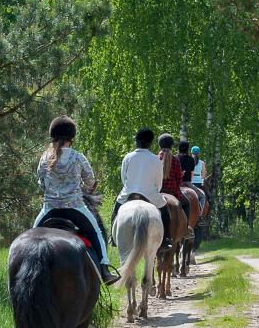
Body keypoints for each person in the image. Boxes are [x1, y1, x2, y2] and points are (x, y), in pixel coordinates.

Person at [34, 116, 119, 286]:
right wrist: (87, 186)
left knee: (32, 236)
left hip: (49, 209)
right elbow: (89, 182)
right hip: (76, 208)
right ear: (71, 138)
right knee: (97, 234)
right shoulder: (78, 157)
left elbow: (41, 183)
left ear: (53, 136)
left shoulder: (44, 158)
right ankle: (104, 269)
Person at [112, 127, 172, 248]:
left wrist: (132, 187)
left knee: (115, 211)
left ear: (136, 141)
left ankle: (112, 238)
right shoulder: (156, 160)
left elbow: (124, 178)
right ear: (150, 143)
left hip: (129, 193)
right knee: (165, 212)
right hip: (150, 194)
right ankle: (166, 239)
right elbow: (159, 183)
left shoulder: (128, 157)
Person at [157, 134, 185, 246]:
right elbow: (179, 178)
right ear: (172, 146)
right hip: (173, 192)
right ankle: (186, 229)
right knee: (186, 204)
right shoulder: (176, 160)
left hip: (156, 193)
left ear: (159, 145)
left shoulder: (155, 158)